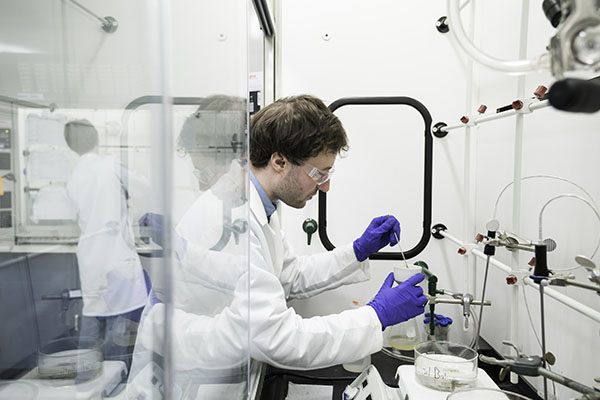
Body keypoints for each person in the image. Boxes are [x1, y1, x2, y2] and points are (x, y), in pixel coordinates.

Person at [64, 119, 149, 372]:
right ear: (97, 139)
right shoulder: (110, 165)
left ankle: (87, 381)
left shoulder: (73, 176)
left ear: (71, 147)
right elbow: (144, 187)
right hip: (115, 255)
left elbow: (74, 215)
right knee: (119, 325)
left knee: (92, 318)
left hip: (90, 258)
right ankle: (116, 383)